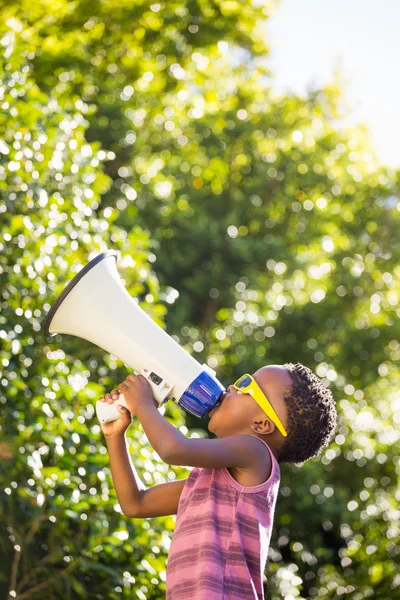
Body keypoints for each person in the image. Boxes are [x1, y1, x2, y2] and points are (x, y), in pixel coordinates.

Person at [99, 362, 337, 599]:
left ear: (262, 424)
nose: (232, 386)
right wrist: (114, 436)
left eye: (247, 385)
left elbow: (172, 449)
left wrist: (143, 405)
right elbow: (136, 503)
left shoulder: (256, 453)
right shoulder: (210, 484)